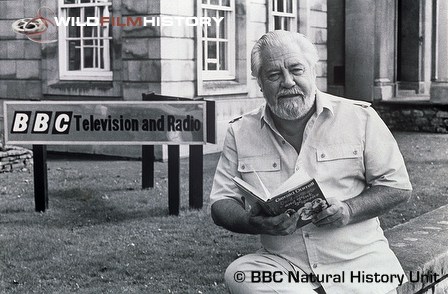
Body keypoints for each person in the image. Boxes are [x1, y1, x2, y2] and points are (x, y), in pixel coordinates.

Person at [209, 30, 412, 294]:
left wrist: (349, 210)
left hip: (359, 263)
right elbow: (221, 203)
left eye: (296, 70)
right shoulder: (240, 132)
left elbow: (398, 187)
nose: (287, 82)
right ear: (259, 83)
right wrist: (252, 222)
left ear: (313, 72)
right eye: (273, 75)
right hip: (284, 266)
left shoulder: (360, 118)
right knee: (239, 274)